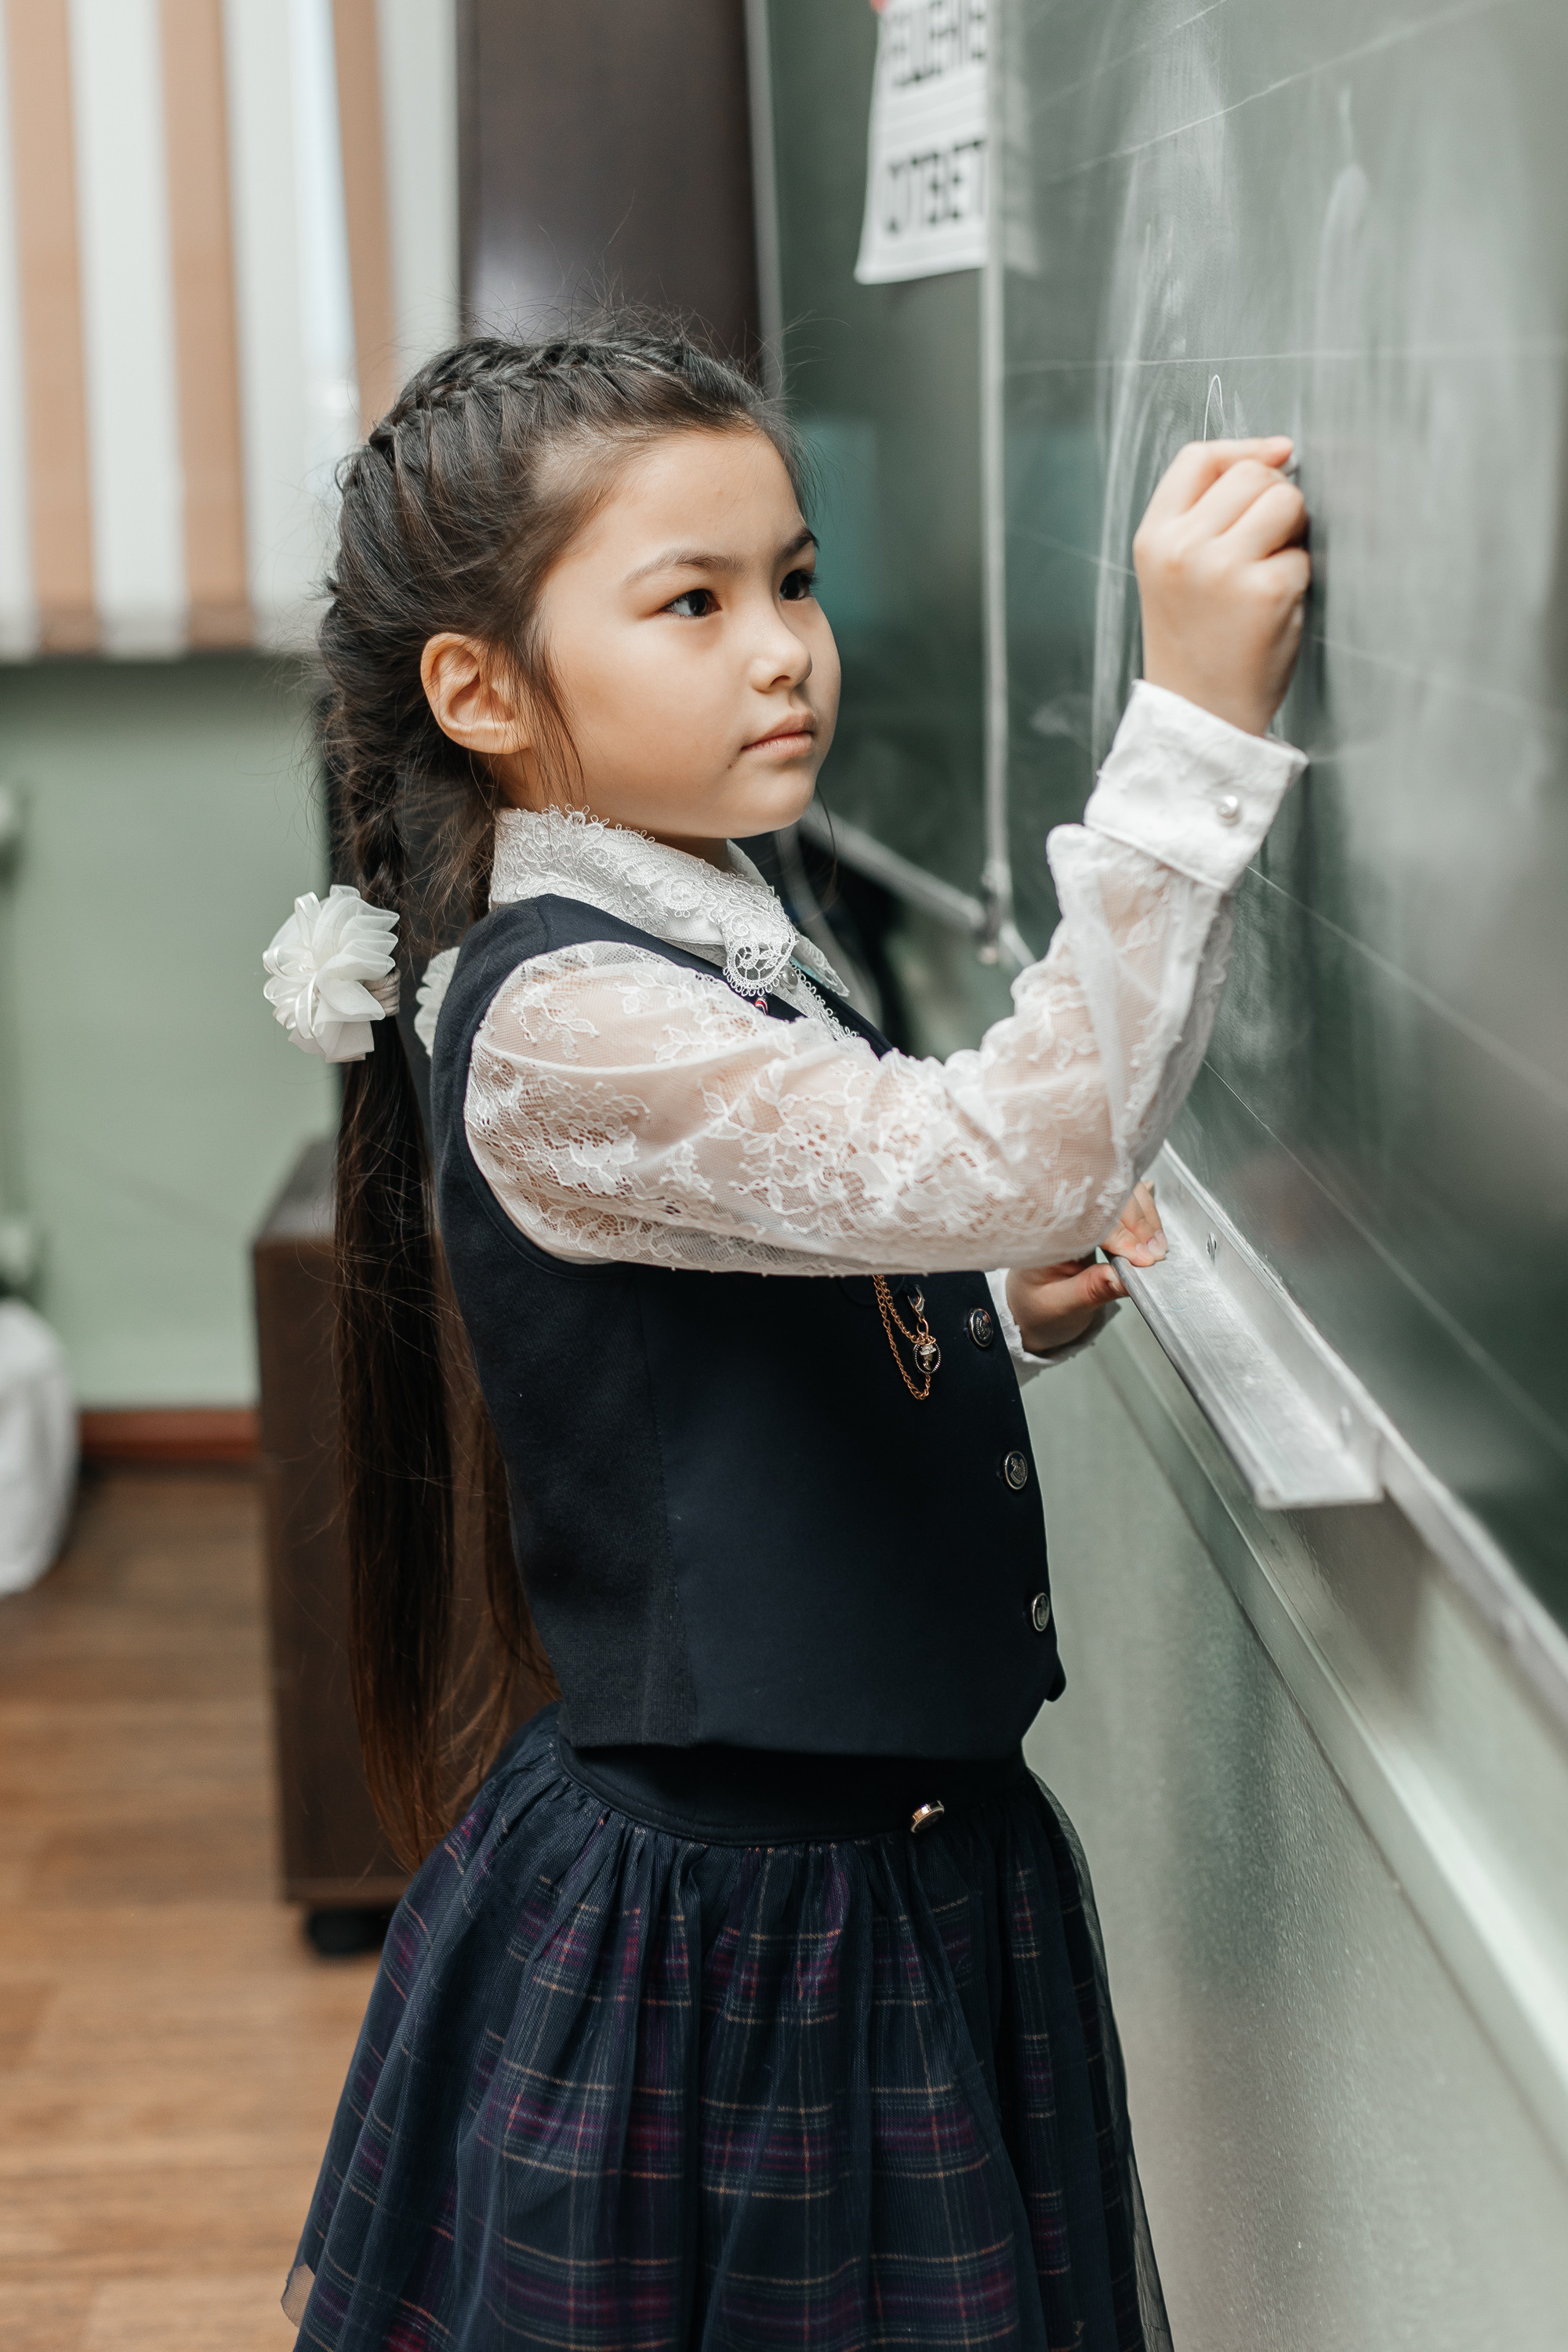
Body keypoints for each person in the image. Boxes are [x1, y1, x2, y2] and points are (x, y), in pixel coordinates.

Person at [262, 329, 1308, 2350]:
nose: (784, 651)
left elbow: (766, 1268)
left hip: (900, 1876)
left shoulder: (692, 907)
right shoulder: (569, 1018)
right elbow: (1025, 1144)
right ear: (480, 693)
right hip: (744, 1940)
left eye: (798, 580)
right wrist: (1188, 724)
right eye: (694, 600)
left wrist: (992, 1295)